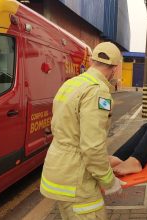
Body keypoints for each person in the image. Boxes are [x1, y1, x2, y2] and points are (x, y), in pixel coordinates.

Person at [40, 42, 124, 220]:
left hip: (58, 171)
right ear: (114, 69)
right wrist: (109, 182)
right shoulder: (97, 92)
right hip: (77, 180)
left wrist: (106, 160)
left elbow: (70, 131)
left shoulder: (71, 83)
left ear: (93, 61)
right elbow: (92, 147)